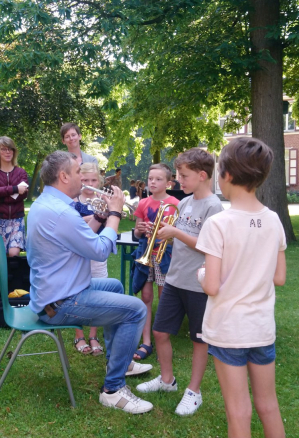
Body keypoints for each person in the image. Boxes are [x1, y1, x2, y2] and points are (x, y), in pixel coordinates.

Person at [27, 151, 154, 414]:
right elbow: (99, 250)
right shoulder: (61, 212)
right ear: (63, 177)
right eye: (76, 173)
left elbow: (79, 233)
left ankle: (117, 362)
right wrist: (115, 213)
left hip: (56, 292)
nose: (81, 178)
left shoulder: (48, 203)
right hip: (61, 302)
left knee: (116, 287)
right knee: (136, 309)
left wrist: (101, 215)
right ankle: (113, 389)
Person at [196, 137, 287, 438]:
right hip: (262, 329)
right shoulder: (274, 220)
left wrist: (201, 274)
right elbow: (279, 278)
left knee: (238, 410)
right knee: (269, 405)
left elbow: (211, 286)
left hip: (229, 330)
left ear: (228, 175)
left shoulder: (219, 224)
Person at [136, 149, 223, 416]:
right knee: (160, 333)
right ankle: (167, 380)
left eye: (183, 176)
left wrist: (176, 232)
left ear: (202, 175)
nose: (179, 181)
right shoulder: (183, 204)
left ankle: (194, 392)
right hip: (174, 279)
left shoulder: (214, 207)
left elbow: (210, 246)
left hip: (198, 283)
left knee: (199, 340)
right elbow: (177, 238)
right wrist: (161, 234)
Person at [131, 163, 180, 361]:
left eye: (158, 179)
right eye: (150, 178)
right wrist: (141, 229)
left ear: (168, 183)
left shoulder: (175, 203)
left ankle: (162, 340)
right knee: (146, 296)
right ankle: (146, 342)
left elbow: (178, 236)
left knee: (163, 297)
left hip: (164, 255)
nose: (153, 182)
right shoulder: (143, 203)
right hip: (147, 254)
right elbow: (136, 232)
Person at [71, 162, 107, 356]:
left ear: (99, 181)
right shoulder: (73, 199)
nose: (89, 184)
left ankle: (93, 335)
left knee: (98, 293)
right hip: (78, 253)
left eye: (94, 180)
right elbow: (72, 223)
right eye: (85, 180)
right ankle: (79, 335)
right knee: (77, 293)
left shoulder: (102, 198)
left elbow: (110, 221)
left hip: (98, 252)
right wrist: (96, 216)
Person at [0, 136, 29, 257]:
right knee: (1, 259)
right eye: (3, 149)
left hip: (17, 219)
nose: (7, 152)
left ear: (14, 152)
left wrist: (1, 198)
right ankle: (2, 277)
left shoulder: (21, 172)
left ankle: (14, 277)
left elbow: (23, 194)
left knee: (14, 253)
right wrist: (15, 189)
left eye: (10, 149)